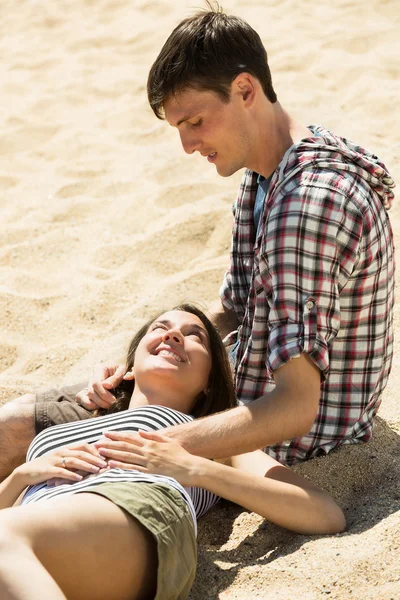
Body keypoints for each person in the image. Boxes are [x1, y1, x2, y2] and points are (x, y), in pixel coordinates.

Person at [0, 5, 395, 475]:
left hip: (278, 438)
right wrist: (135, 366)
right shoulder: (274, 164)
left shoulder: (307, 206)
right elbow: (233, 311)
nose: (187, 146)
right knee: (19, 420)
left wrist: (148, 443)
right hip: (226, 387)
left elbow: (295, 406)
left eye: (195, 122)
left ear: (245, 90)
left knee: (14, 430)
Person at [0, 305, 344, 600]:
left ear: (210, 380)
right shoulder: (75, 425)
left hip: (135, 511)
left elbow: (325, 513)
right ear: (129, 367)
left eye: (195, 336)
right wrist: (19, 477)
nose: (173, 336)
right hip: (37, 530)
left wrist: (194, 468)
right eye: (160, 328)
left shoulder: (212, 438)